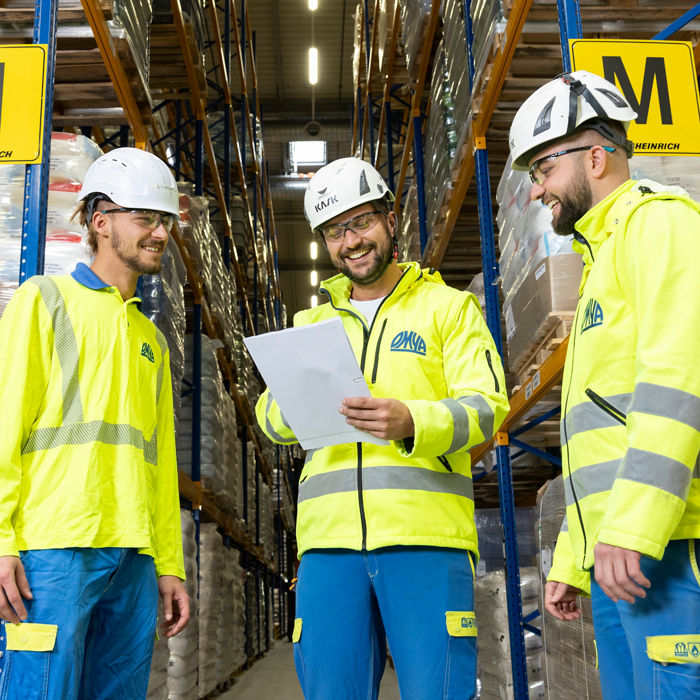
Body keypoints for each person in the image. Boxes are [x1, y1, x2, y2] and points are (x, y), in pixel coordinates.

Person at [255, 156, 510, 699]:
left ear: (391, 219)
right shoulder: (311, 324)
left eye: (361, 221)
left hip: (427, 540)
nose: (351, 241)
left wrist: (414, 419)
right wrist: (294, 408)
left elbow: (488, 405)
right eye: (333, 231)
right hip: (328, 550)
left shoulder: (450, 309)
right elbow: (269, 418)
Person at [509, 70, 700, 698]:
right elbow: (595, 438)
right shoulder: (598, 261)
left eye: (542, 170)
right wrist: (572, 559)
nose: (537, 191)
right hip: (624, 554)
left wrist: (633, 528)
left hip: (668, 546)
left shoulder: (660, 225)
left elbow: (678, 381)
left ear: (596, 155)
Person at [0, 147, 190, 699]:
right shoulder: (44, 301)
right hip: (53, 551)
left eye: (165, 221)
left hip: (131, 557)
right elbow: (4, 426)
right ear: (100, 221)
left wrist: (168, 564)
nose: (159, 233)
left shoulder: (150, 340)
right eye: (145, 218)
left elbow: (159, 464)